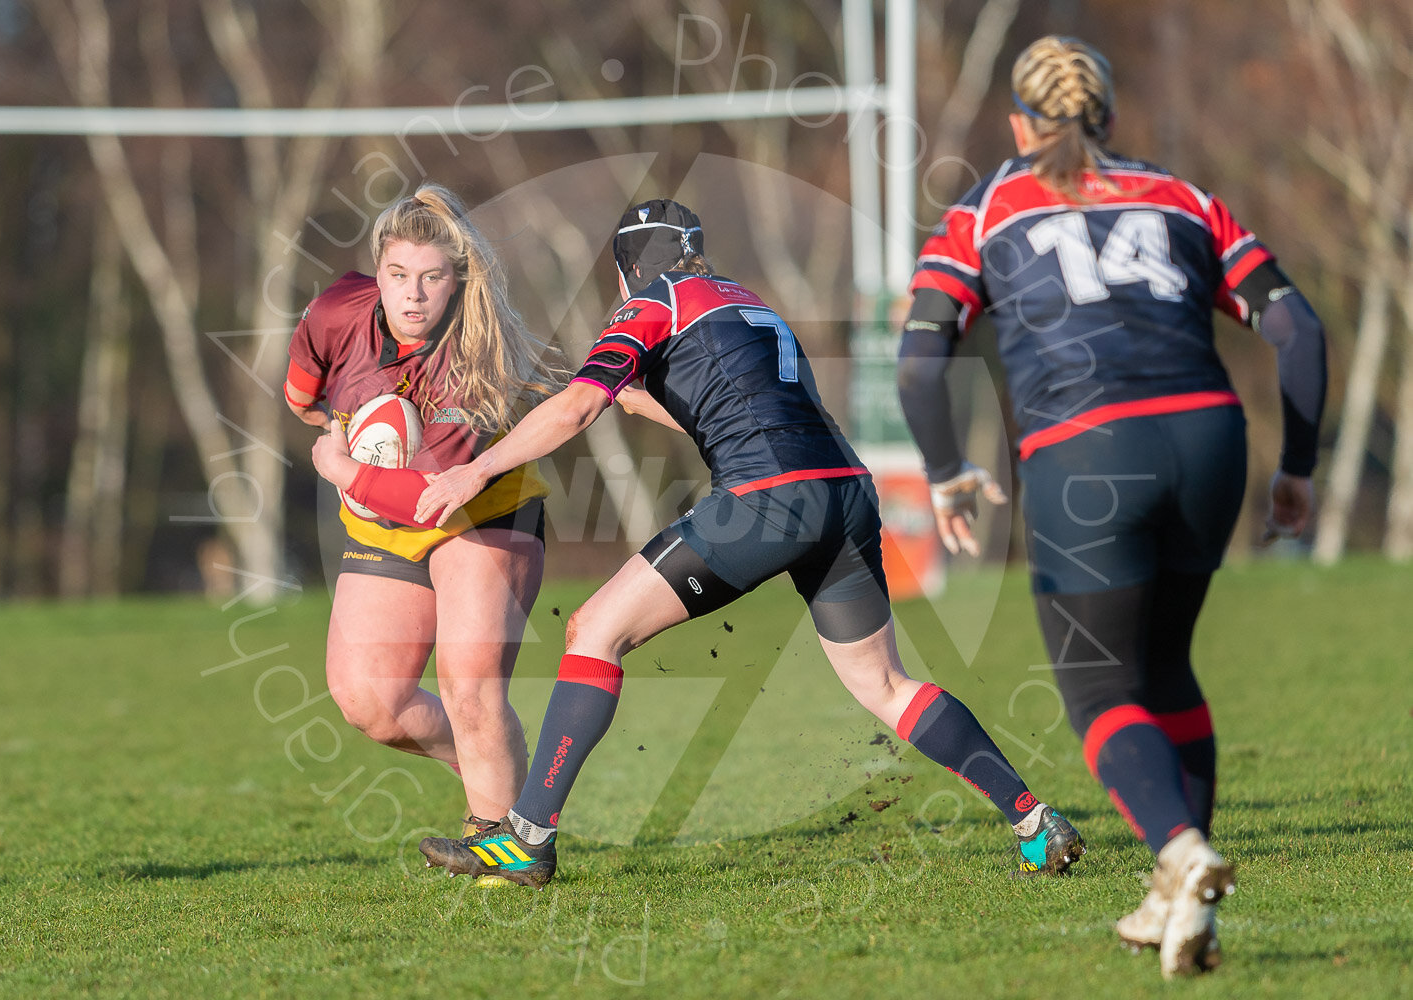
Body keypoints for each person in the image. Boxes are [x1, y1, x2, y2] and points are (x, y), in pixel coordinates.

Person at [390, 198, 1085, 891]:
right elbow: (711, 404)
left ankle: (526, 840)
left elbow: (579, 407)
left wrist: (476, 469)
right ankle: (1033, 820)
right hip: (846, 494)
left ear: (628, 270)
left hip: (768, 499)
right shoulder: (747, 303)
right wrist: (619, 394)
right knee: (884, 683)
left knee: (593, 630)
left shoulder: (650, 302)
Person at [896, 36, 1327, 978]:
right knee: (1166, 666)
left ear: (1018, 122)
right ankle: (1182, 903)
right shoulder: (1182, 197)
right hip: (1211, 437)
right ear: (1110, 119)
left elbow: (921, 357)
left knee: (1096, 686)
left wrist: (944, 472)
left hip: (1089, 449)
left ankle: (1178, 850)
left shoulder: (984, 210)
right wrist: (1297, 465)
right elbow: (1295, 326)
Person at [286, 183, 565, 850]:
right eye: (398, 276)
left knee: (469, 693)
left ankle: (501, 842)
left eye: (432, 278)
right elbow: (302, 399)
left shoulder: (471, 357)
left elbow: (428, 495)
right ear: (376, 270)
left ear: (457, 279)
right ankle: (501, 781)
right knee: (370, 701)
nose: (413, 296)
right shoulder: (335, 313)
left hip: (481, 512)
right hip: (383, 524)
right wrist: (346, 430)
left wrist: (344, 470)